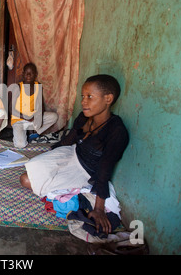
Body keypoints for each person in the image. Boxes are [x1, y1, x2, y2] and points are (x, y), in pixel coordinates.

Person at [20, 74, 129, 234]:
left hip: (84, 171)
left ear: (108, 99)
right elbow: (68, 140)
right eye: (83, 96)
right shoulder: (85, 117)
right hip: (71, 153)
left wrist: (99, 209)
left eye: (90, 97)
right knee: (25, 175)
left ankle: (75, 196)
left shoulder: (116, 131)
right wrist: (48, 157)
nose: (84, 102)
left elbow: (104, 170)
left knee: (28, 180)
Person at [11, 62, 58, 148]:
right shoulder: (17, 87)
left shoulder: (38, 86)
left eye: (31, 73)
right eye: (26, 73)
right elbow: (11, 109)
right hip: (19, 119)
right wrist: (25, 117)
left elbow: (41, 105)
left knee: (53, 116)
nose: (28, 75)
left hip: (32, 118)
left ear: (35, 74)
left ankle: (35, 133)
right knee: (20, 145)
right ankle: (22, 134)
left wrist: (38, 116)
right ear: (23, 74)